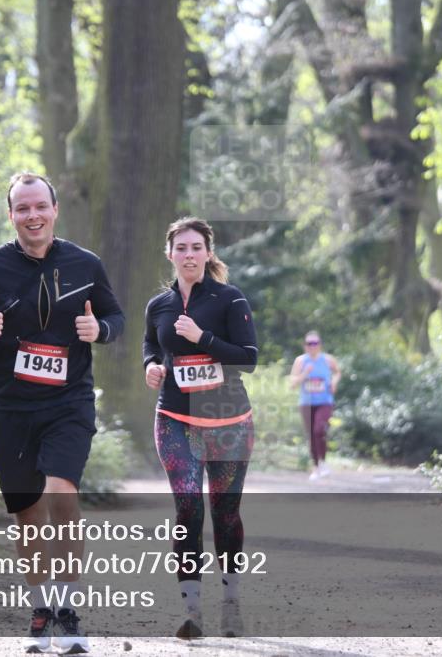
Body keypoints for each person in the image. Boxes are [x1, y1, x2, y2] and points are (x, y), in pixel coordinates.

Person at [0, 172, 125, 655]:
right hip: (10, 410)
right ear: (11, 215)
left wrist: (100, 330)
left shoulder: (85, 264)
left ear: (55, 209)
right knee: (28, 515)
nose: (33, 215)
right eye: (22, 208)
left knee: (61, 492)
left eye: (40, 205)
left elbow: (117, 318)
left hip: (68, 403)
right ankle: (42, 611)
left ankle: (68, 610)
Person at [143, 217, 258, 640]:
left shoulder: (229, 299)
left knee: (225, 513)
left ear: (208, 253)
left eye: (196, 247)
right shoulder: (159, 305)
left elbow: (248, 357)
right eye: (181, 248)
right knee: (187, 509)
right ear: (169, 253)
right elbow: (151, 343)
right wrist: (151, 365)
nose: (189, 255)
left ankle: (230, 603)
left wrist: (202, 337)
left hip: (229, 422)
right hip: (175, 419)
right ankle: (191, 611)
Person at [290, 331, 340, 480]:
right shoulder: (300, 361)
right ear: (305, 346)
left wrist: (334, 382)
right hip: (306, 403)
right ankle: (316, 467)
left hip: (325, 401)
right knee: (311, 435)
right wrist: (305, 373)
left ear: (320, 345)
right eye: (309, 343)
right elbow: (292, 384)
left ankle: (323, 462)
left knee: (320, 430)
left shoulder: (328, 360)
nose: (312, 346)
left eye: (315, 343)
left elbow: (337, 372)